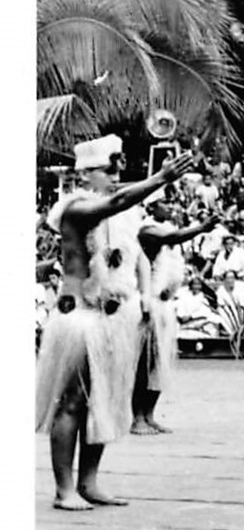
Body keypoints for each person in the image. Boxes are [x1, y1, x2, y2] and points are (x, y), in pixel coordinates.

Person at [38, 137, 199, 510]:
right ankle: (65, 489)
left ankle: (89, 482)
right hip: (81, 315)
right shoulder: (76, 207)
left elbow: (133, 245)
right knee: (73, 401)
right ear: (87, 172)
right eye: (109, 168)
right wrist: (161, 177)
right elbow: (115, 201)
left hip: (112, 316)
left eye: (117, 167)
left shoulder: (123, 215)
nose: (116, 173)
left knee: (104, 400)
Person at [131, 200, 217, 434]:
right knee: (144, 363)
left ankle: (149, 415)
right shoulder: (147, 230)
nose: (170, 207)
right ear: (152, 208)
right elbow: (172, 237)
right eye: (164, 204)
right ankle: (137, 417)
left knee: (160, 363)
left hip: (166, 306)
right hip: (150, 304)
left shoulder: (167, 232)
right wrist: (201, 228)